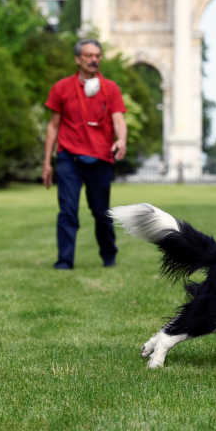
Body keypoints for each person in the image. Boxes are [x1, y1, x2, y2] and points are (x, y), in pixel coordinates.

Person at [42, 39, 127, 269]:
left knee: (101, 214)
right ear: (78, 59)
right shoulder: (62, 88)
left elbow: (118, 118)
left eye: (97, 56)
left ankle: (109, 255)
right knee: (68, 211)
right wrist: (47, 162)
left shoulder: (111, 89)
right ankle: (64, 261)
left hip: (100, 158)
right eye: (89, 55)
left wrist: (121, 139)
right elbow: (53, 125)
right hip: (69, 157)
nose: (94, 60)